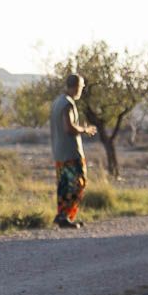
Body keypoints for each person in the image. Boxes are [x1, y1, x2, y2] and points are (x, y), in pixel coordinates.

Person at [49, 73, 97, 229]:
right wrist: (85, 130)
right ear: (76, 86)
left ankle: (63, 216)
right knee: (77, 182)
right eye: (82, 87)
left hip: (59, 151)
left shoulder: (57, 102)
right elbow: (68, 127)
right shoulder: (67, 104)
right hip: (71, 152)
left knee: (64, 184)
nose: (82, 90)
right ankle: (64, 216)